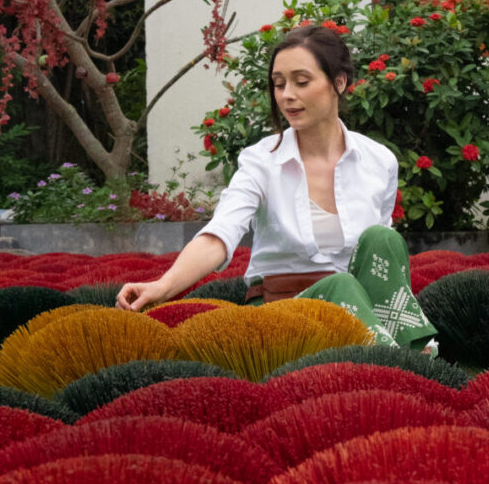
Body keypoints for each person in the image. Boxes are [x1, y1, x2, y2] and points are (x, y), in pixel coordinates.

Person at [115, 24, 437, 347]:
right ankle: (404, 363)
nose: (287, 96)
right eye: (279, 84)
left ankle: (403, 353)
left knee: (384, 239)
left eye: (301, 81)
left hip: (357, 311)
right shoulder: (261, 162)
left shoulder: (379, 162)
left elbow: (381, 266)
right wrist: (162, 285)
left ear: (339, 83)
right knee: (341, 285)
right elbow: (219, 236)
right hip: (280, 313)